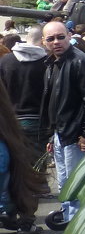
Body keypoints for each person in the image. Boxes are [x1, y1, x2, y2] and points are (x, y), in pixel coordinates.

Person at [39, 20, 85, 190]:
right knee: (64, 184)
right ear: (44, 41)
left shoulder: (80, 61)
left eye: (60, 37)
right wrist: (52, 134)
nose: (56, 42)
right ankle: (67, 214)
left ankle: (75, 216)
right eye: (50, 39)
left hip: (75, 136)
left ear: (69, 36)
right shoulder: (51, 63)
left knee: (74, 185)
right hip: (60, 134)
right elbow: (54, 103)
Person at [0, 25, 51, 171]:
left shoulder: (5, 61)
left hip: (11, 119)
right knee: (38, 165)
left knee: (14, 165)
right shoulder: (48, 62)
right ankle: (39, 190)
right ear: (42, 40)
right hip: (39, 120)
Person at [0, 81, 48, 234]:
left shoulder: (7, 62)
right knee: (25, 172)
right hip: (28, 123)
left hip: (16, 125)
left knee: (20, 172)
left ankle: (17, 215)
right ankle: (21, 217)